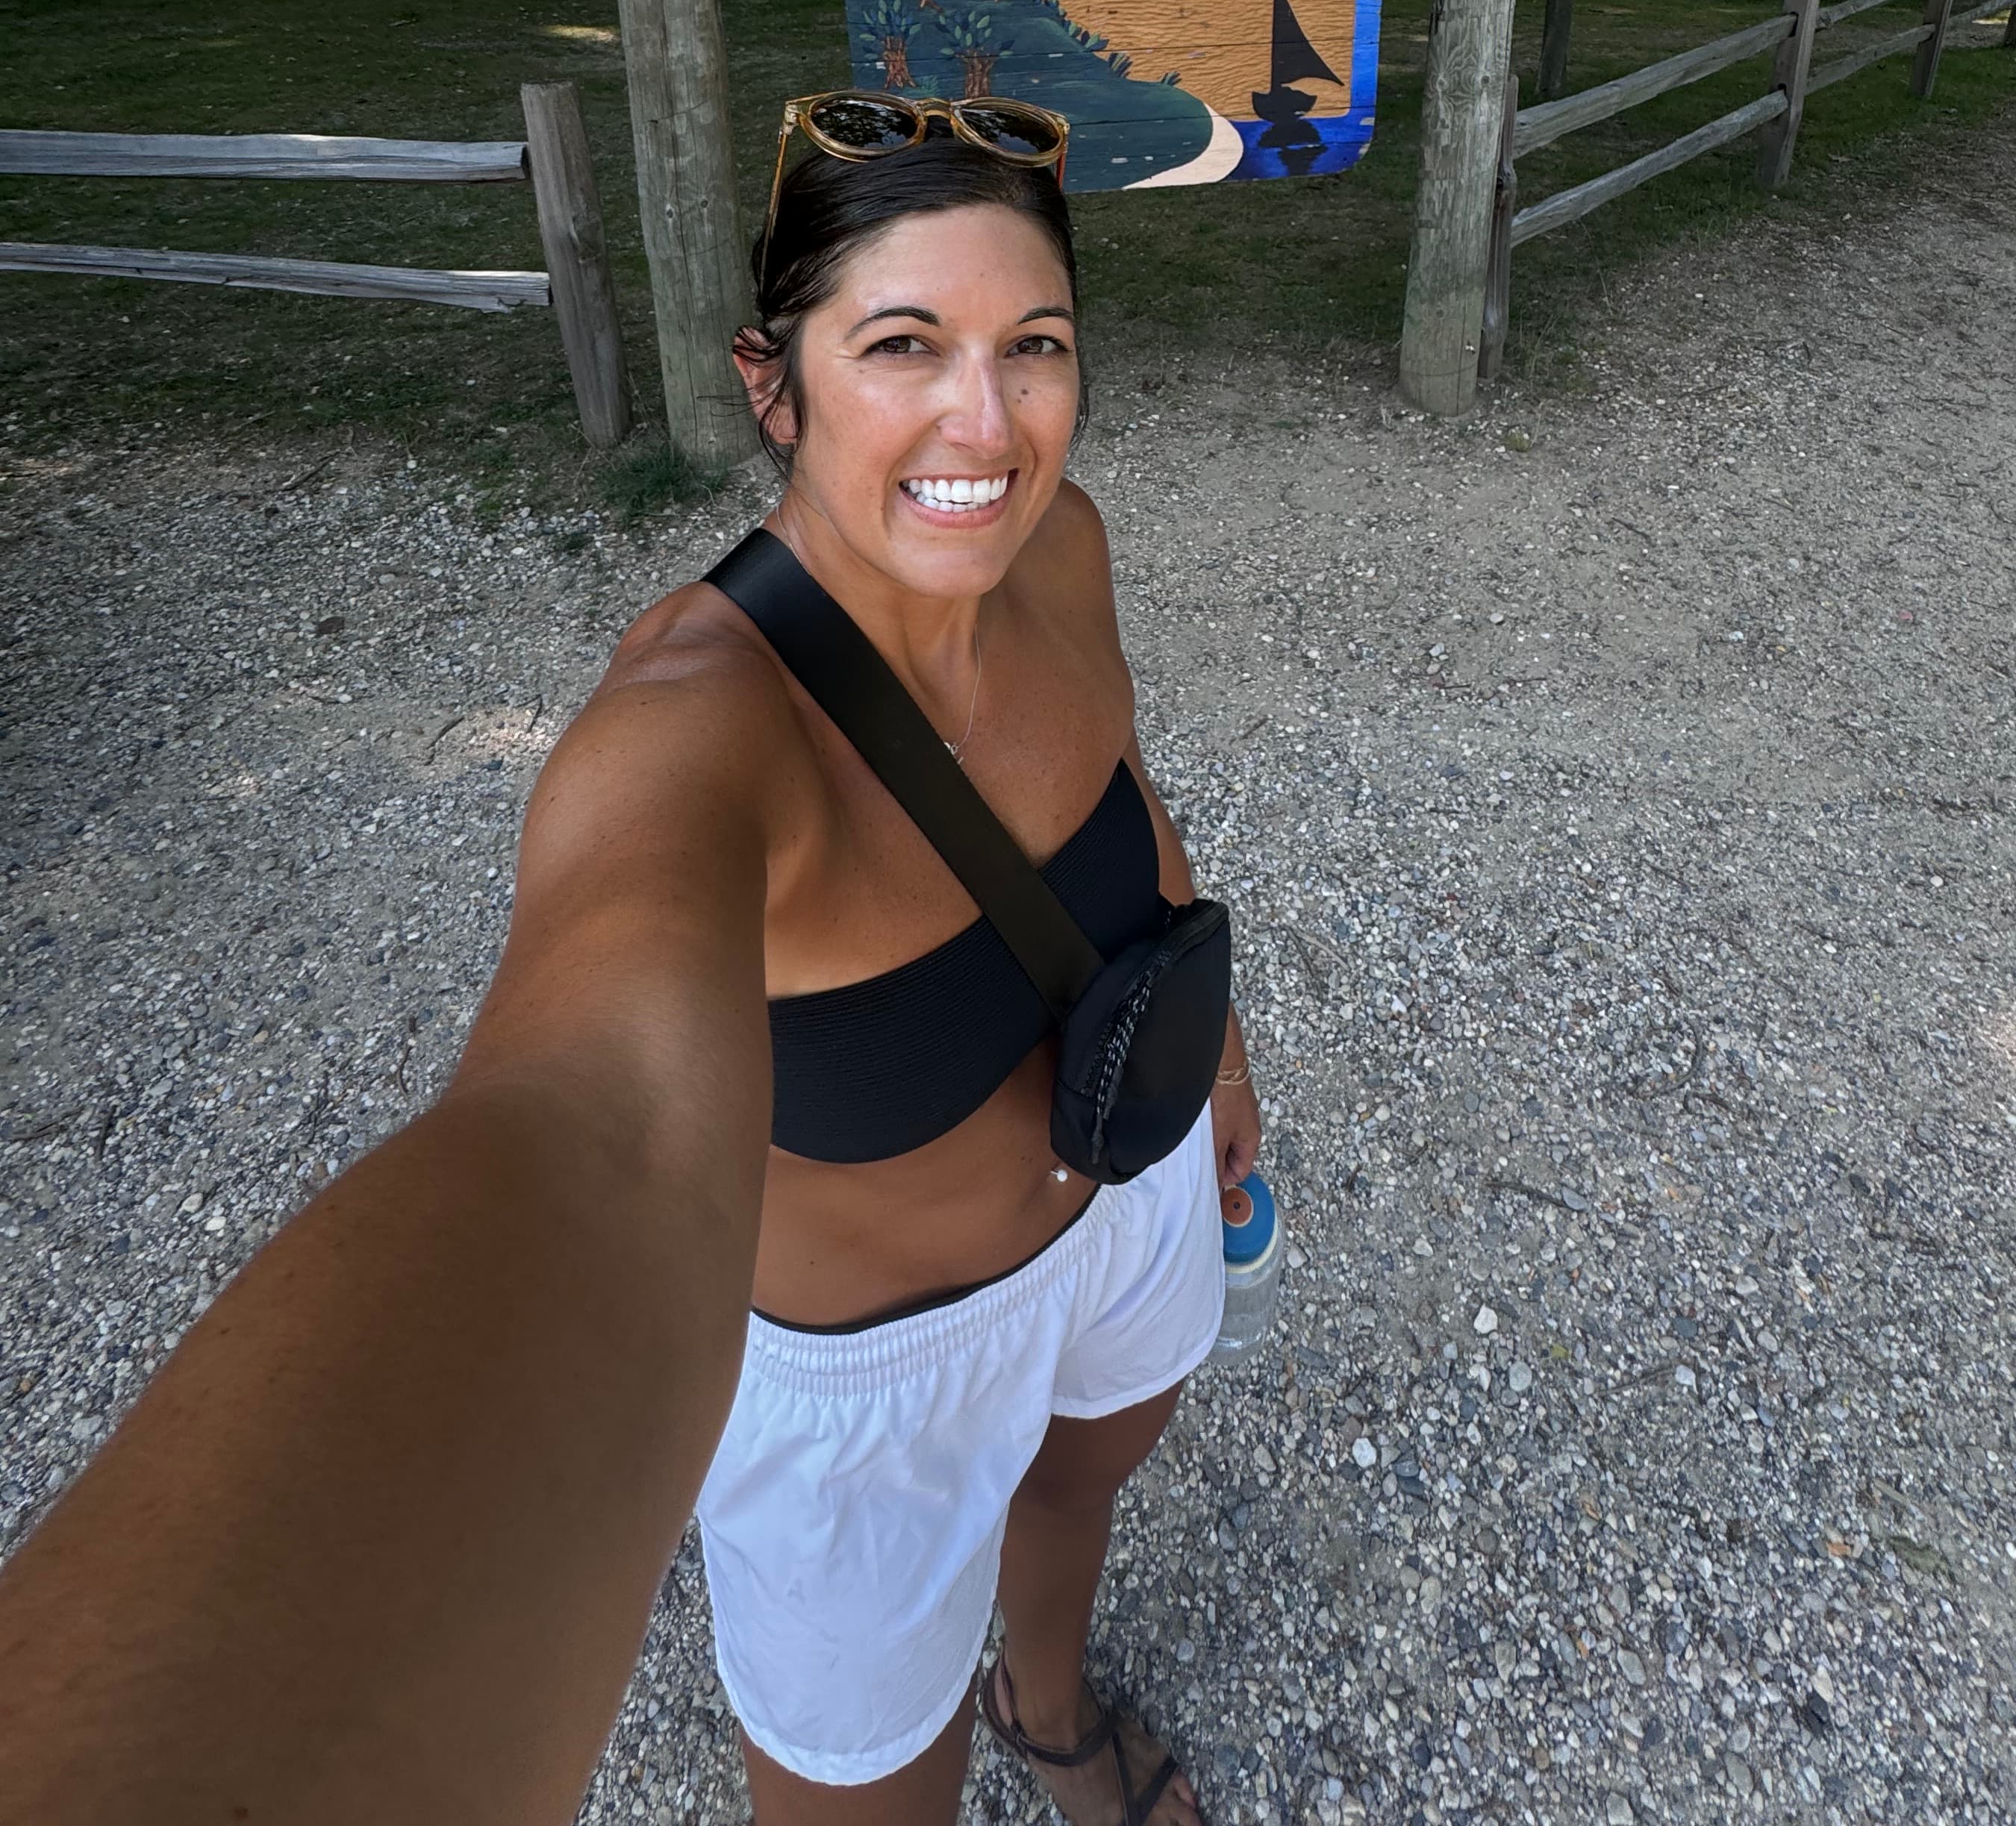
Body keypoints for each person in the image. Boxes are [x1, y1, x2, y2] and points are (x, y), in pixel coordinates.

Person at [0, 93, 1256, 1826]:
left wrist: (1217, 1036)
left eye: (1032, 344)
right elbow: (581, 1135)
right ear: (772, 383)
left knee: (1083, 1479)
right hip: (868, 1393)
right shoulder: (691, 743)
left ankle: (1048, 1703)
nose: (988, 416)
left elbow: (1122, 788)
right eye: (903, 344)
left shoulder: (1064, 546)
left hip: (1134, 1191)